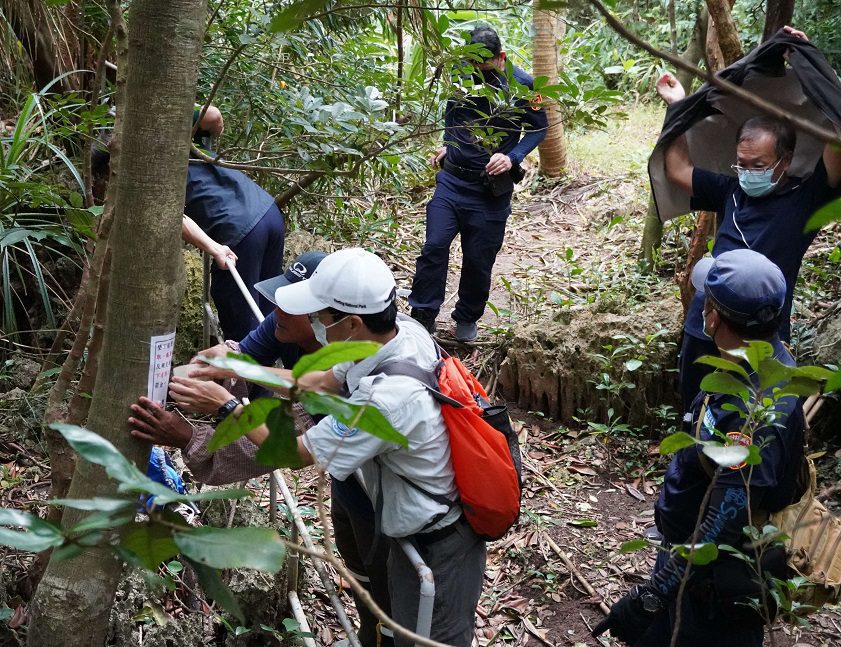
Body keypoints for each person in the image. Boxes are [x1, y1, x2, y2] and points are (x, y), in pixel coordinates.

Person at [137, 248, 486, 645]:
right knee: (394, 615)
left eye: (321, 316)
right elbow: (315, 383)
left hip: (437, 543)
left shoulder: (386, 401)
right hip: (409, 522)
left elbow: (297, 452)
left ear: (352, 322)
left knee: (428, 638)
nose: (317, 324)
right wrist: (237, 366)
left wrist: (227, 405)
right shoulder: (392, 337)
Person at [595, 249, 806, 647]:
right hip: (689, 565)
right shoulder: (752, 364)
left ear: (712, 316)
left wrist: (656, 593)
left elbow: (726, 516)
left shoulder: (755, 413)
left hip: (710, 589)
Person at [656, 26, 841, 413]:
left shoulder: (806, 199)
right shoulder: (730, 189)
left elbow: (835, 131)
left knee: (752, 413)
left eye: (757, 165)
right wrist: (678, 106)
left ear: (785, 161)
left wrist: (812, 65)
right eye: (741, 164)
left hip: (762, 328)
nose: (747, 172)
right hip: (707, 317)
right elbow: (677, 169)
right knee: (696, 400)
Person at [408, 26, 547, 341]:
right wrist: (449, 142)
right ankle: (423, 316)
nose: (476, 72)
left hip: (489, 191)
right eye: (471, 65)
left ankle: (467, 317)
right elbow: (452, 112)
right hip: (452, 181)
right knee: (433, 246)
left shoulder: (525, 86)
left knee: (478, 258)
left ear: (501, 57)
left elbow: (540, 129)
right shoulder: (460, 74)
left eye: (482, 66)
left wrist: (512, 157)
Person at [186, 106, 287, 341]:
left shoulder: (146, 163)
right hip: (267, 210)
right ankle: (274, 372)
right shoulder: (189, 135)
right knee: (268, 309)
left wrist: (215, 248)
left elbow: (174, 219)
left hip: (240, 230)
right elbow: (213, 115)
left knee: (242, 322)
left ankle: (248, 376)